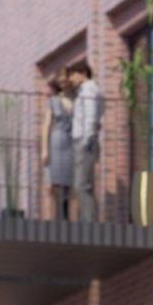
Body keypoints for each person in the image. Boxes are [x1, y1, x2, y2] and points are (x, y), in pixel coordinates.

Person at [44, 65, 100, 220]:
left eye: (66, 79)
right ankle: (56, 217)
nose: (65, 83)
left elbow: (90, 115)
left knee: (72, 183)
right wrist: (44, 149)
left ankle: (70, 218)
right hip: (57, 142)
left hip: (73, 142)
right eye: (61, 81)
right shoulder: (54, 101)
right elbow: (46, 125)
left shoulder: (79, 97)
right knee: (55, 182)